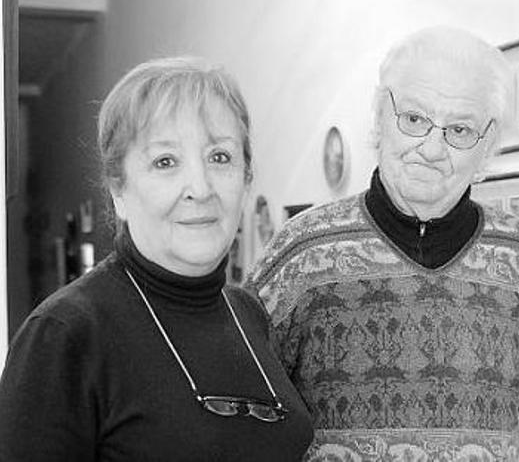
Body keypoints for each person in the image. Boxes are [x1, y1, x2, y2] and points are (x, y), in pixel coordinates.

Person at [246, 27, 519, 461]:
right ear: (379, 118)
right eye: (415, 118)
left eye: (460, 129)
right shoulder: (301, 251)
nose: (432, 147)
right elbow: (246, 413)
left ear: (487, 150)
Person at [0, 57, 313, 461]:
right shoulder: (66, 333)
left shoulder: (248, 313)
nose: (200, 188)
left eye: (219, 157)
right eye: (165, 162)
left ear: (246, 176)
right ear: (119, 189)